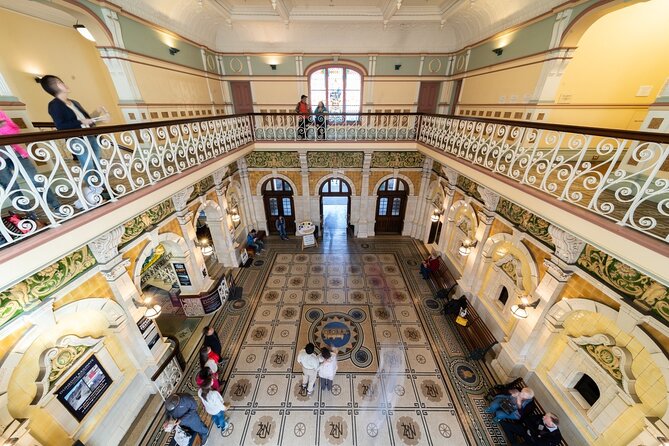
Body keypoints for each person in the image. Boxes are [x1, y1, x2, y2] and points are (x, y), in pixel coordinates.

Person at [39, 75, 109, 208]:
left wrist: (98, 114)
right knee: (88, 165)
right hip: (76, 139)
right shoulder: (54, 105)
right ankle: (95, 193)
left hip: (89, 135)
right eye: (61, 82)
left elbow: (88, 119)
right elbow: (61, 126)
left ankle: (103, 190)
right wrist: (80, 122)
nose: (65, 84)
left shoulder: (74, 102)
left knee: (97, 162)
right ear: (56, 86)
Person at [0, 110, 63, 217]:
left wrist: (2, 128)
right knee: (12, 188)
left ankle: (56, 207)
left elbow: (13, 131)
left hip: (17, 154)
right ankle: (31, 216)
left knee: (35, 180)